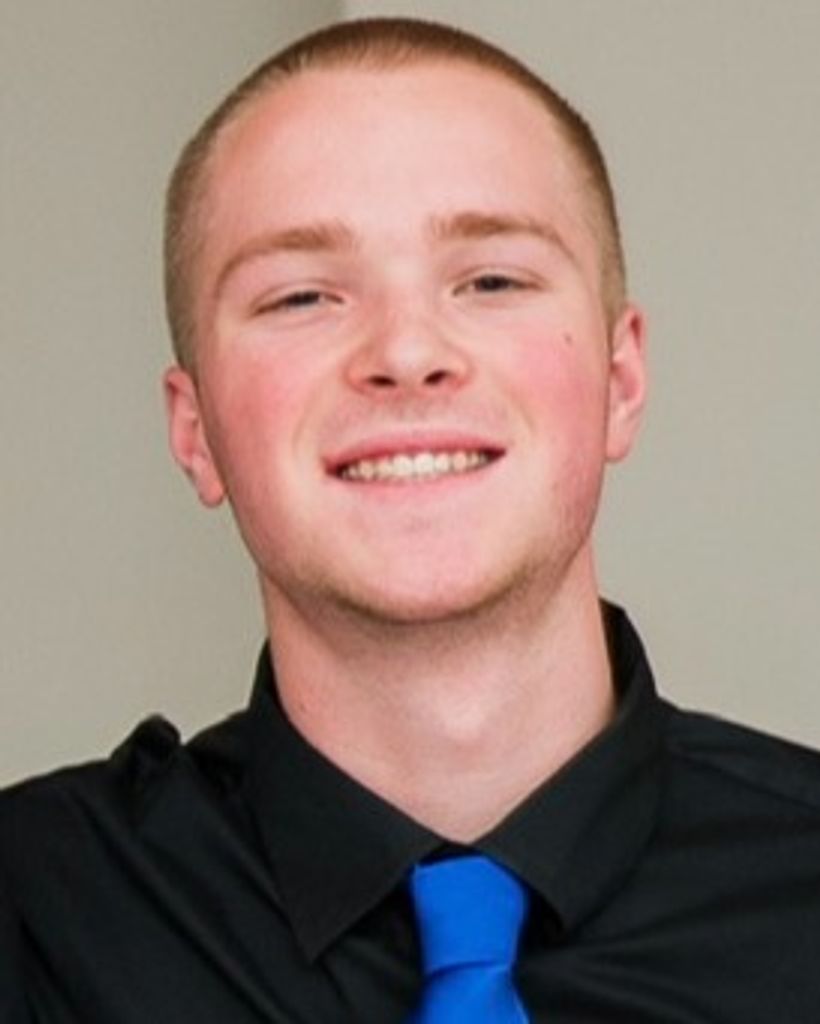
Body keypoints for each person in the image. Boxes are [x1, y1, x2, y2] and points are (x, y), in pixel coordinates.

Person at [2, 16, 819, 1023]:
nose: (405, 352)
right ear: (195, 428)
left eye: (491, 280)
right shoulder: (34, 917)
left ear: (620, 380)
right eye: (303, 297)